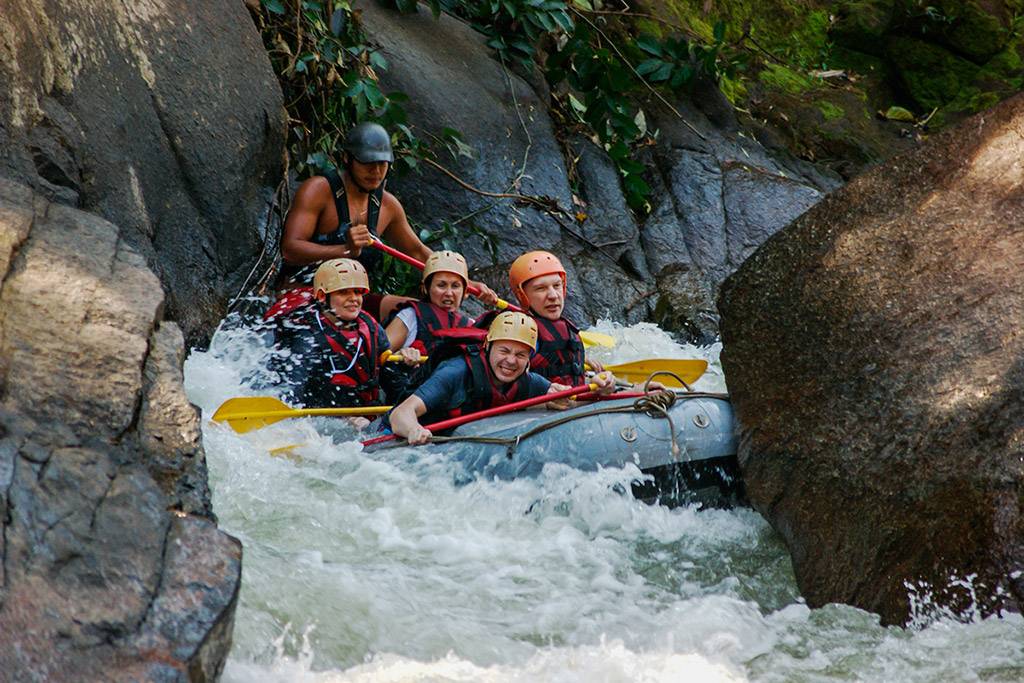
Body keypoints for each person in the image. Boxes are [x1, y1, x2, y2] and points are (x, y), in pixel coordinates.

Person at [276, 121, 496, 321]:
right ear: (347, 159)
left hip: (355, 302)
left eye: (383, 164)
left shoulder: (387, 206)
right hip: (307, 294)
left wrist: (461, 279)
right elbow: (290, 250)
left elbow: (417, 251)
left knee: (423, 315)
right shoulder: (319, 190)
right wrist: (345, 250)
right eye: (368, 163)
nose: (376, 172)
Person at [387, 311, 614, 445]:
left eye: (520, 355)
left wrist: (602, 390)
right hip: (403, 440)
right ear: (488, 346)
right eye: (504, 351)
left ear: (529, 359)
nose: (511, 361)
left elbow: (568, 400)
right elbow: (401, 414)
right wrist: (414, 430)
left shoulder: (528, 381)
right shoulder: (456, 372)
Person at [270, 258, 390, 412]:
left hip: (366, 412)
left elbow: (393, 378)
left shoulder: (371, 327)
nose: (354, 298)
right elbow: (292, 390)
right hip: (322, 417)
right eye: (343, 292)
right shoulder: (305, 333)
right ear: (322, 296)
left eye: (357, 292)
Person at [381, 250, 475, 403]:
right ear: (426, 288)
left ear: (465, 292)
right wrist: (399, 355)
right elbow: (377, 356)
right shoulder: (410, 316)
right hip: (406, 404)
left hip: (449, 404)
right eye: (441, 285)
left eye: (456, 286)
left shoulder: (471, 327)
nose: (449, 293)